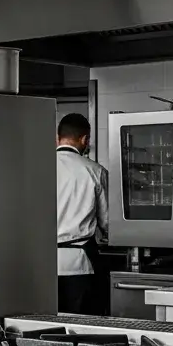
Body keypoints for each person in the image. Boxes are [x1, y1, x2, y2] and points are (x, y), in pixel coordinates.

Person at [55, 113, 108, 314]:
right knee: (80, 328)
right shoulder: (95, 171)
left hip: (40, 267)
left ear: (57, 137)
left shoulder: (37, 168)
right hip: (79, 266)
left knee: (43, 328)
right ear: (85, 139)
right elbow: (108, 222)